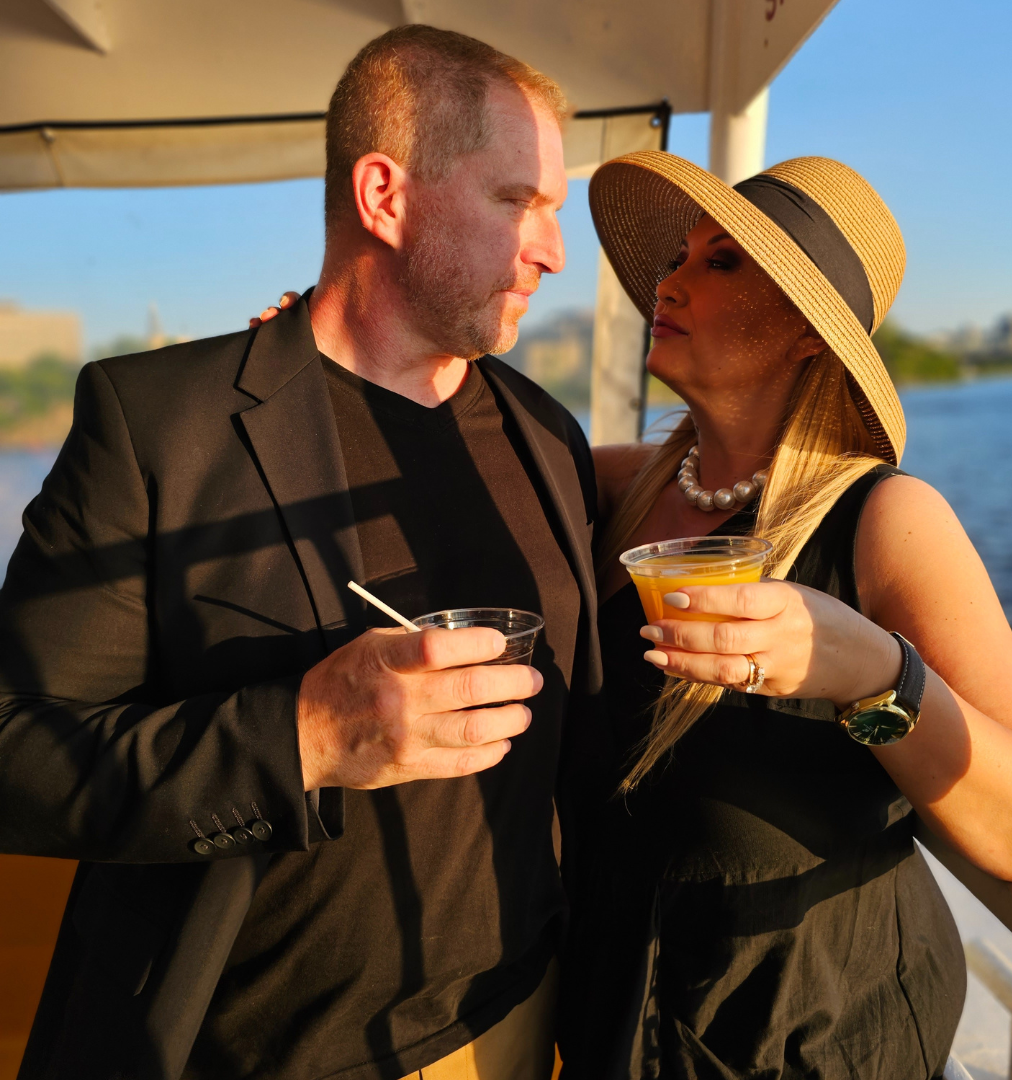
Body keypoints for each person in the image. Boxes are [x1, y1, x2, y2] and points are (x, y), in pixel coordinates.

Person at [0, 26, 602, 1080]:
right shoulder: (157, 425)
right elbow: (16, 754)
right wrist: (304, 736)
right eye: (518, 203)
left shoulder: (549, 434)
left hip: (515, 1023)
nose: (552, 252)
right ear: (385, 196)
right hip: (250, 1051)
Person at [545, 152, 1012, 1078]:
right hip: (616, 1024)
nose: (669, 280)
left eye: (721, 263)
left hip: (811, 1042)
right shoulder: (620, 489)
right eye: (680, 255)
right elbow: (462, 446)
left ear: (803, 332)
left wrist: (874, 675)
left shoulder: (886, 521)